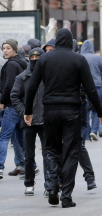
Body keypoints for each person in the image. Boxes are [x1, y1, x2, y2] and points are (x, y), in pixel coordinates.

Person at [24, 28, 102, 208]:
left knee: (51, 149)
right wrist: (100, 113)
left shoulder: (44, 59)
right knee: (71, 152)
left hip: (50, 111)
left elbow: (32, 87)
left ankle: (52, 187)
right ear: (70, 42)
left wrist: (28, 110)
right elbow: (90, 88)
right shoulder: (79, 59)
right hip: (72, 111)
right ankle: (66, 196)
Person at [11, 48, 47, 196]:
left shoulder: (49, 76)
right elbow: (15, 96)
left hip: (46, 120)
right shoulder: (22, 77)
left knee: (48, 154)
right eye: (32, 56)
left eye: (38, 57)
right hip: (29, 122)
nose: (34, 59)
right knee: (29, 155)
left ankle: (50, 184)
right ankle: (29, 183)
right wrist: (25, 112)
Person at [0, 39, 28, 179]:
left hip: (11, 105)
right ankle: (29, 166)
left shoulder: (11, 65)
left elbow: (9, 85)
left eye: (8, 48)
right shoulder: (23, 63)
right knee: (19, 138)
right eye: (3, 48)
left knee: (4, 137)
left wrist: (2, 101)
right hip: (21, 105)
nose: (5, 50)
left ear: (15, 50)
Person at [80, 40, 102, 139]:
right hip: (97, 85)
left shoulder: (80, 57)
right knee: (97, 109)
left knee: (85, 111)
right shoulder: (96, 57)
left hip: (83, 87)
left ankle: (86, 135)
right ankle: (94, 130)